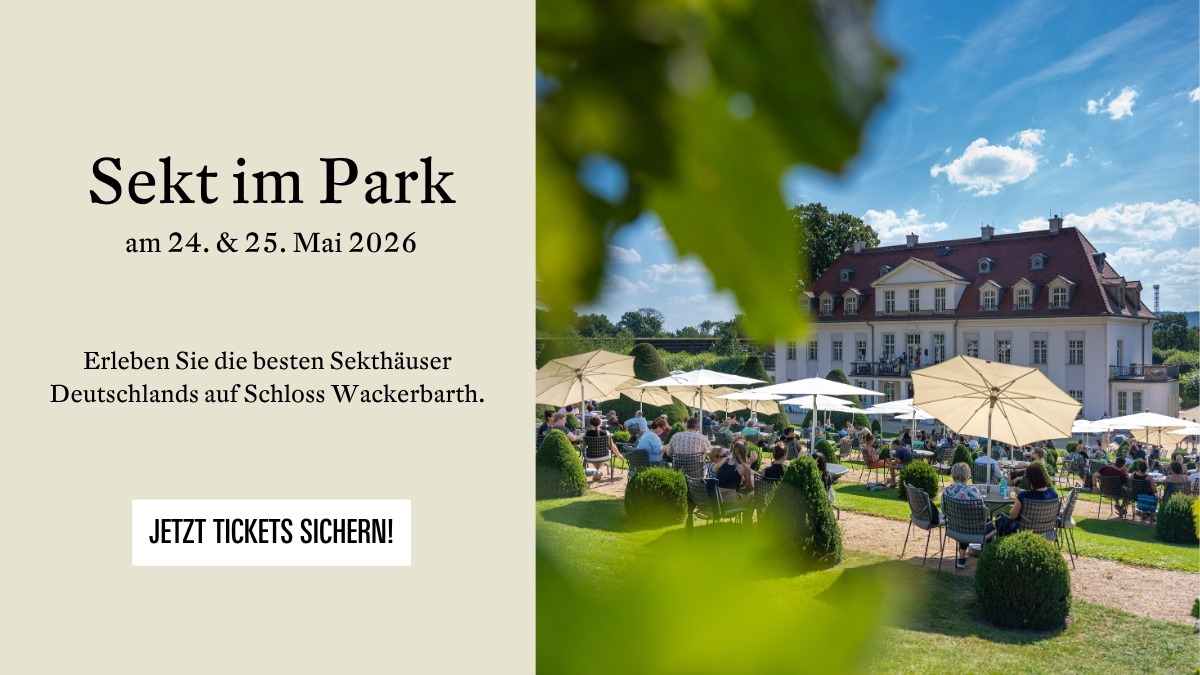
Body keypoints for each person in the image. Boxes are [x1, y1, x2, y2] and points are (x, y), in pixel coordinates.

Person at [942, 462, 991, 569]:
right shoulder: (973, 491)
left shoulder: (946, 491)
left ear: (953, 474)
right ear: (967, 475)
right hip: (975, 528)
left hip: (956, 526)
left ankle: (962, 558)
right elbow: (983, 511)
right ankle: (985, 558)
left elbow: (943, 510)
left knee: (964, 520)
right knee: (989, 524)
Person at [997, 464, 1058, 535]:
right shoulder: (1053, 492)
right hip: (1046, 528)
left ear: (1029, 479)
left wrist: (1016, 505)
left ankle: (1002, 543)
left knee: (1000, 517)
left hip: (1025, 529)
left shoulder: (1024, 496)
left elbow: (1012, 515)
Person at [712, 437, 755, 507]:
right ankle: (748, 517)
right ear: (745, 451)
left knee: (747, 498)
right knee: (753, 494)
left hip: (717, 498)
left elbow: (714, 469)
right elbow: (749, 486)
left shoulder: (725, 460)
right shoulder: (744, 467)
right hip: (730, 499)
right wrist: (755, 486)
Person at [583, 416, 623, 482]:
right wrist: (619, 455)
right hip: (604, 455)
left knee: (591, 453)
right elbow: (612, 446)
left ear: (590, 424)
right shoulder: (606, 433)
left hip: (591, 456)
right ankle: (598, 471)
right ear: (600, 423)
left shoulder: (586, 433)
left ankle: (598, 471)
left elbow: (584, 446)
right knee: (603, 452)